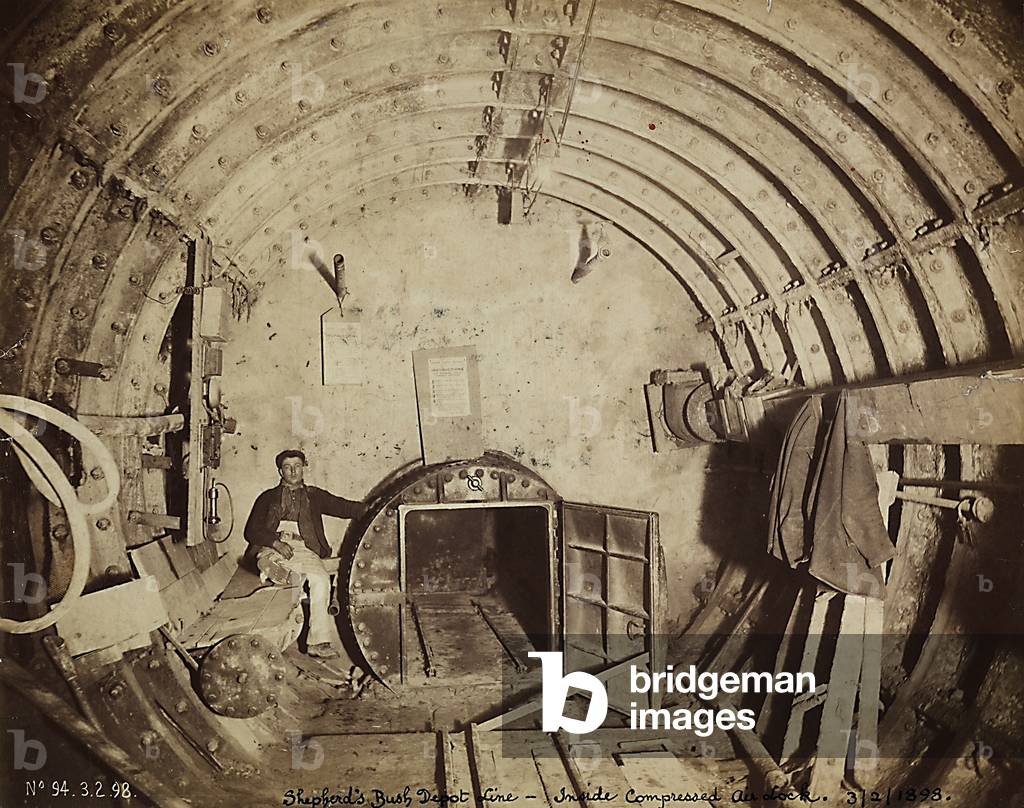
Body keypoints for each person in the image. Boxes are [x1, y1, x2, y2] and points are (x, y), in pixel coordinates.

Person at [244, 449, 368, 659]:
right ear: (280, 471)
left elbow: (344, 507)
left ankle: (318, 642)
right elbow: (252, 531)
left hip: (304, 548)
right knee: (269, 558)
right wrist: (275, 543)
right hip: (274, 544)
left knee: (321, 579)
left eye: (297, 466)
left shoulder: (315, 496)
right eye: (287, 467)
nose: (293, 471)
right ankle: (274, 568)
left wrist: (374, 508)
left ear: (303, 468)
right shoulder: (267, 497)